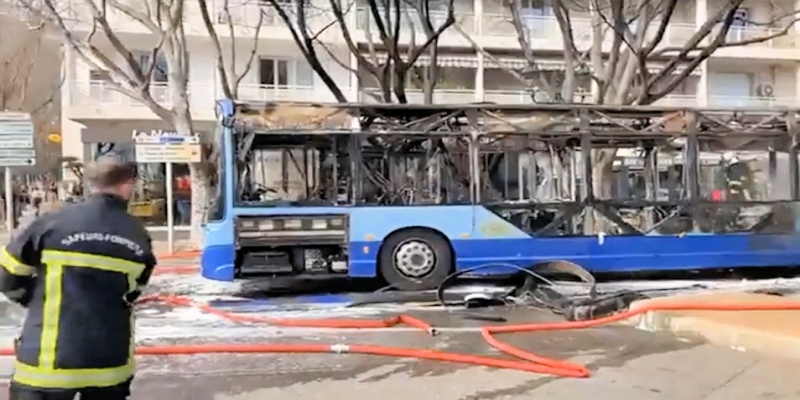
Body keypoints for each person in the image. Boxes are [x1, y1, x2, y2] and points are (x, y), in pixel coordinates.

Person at [0, 156, 157, 400]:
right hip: (110, 367)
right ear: (127, 185)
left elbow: (8, 274)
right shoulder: (137, 235)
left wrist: (36, 299)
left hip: (46, 365)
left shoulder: (52, 223)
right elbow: (135, 289)